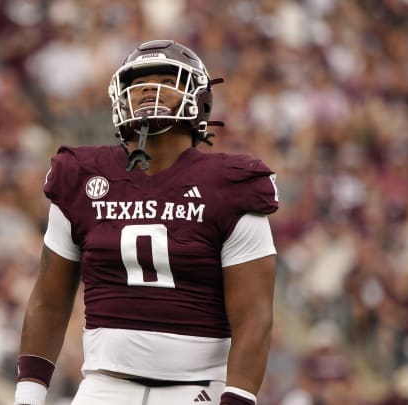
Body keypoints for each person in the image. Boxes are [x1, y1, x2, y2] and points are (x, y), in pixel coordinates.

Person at [14, 39, 279, 405]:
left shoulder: (230, 185)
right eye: (138, 83)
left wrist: (237, 398)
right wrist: (28, 394)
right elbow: (49, 299)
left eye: (166, 79)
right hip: (103, 386)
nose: (148, 90)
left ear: (198, 98)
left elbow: (254, 318)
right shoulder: (80, 177)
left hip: (196, 389)